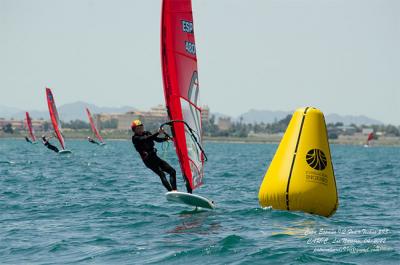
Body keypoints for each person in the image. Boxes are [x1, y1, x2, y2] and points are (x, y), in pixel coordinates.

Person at [131, 119, 182, 192]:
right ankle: (170, 191)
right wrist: (158, 132)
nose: (140, 130)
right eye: (138, 129)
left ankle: (175, 191)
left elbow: (157, 139)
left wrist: (167, 138)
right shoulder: (135, 138)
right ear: (134, 130)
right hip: (148, 161)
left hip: (155, 158)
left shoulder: (147, 133)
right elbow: (146, 139)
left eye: (141, 128)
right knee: (162, 174)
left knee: (172, 171)